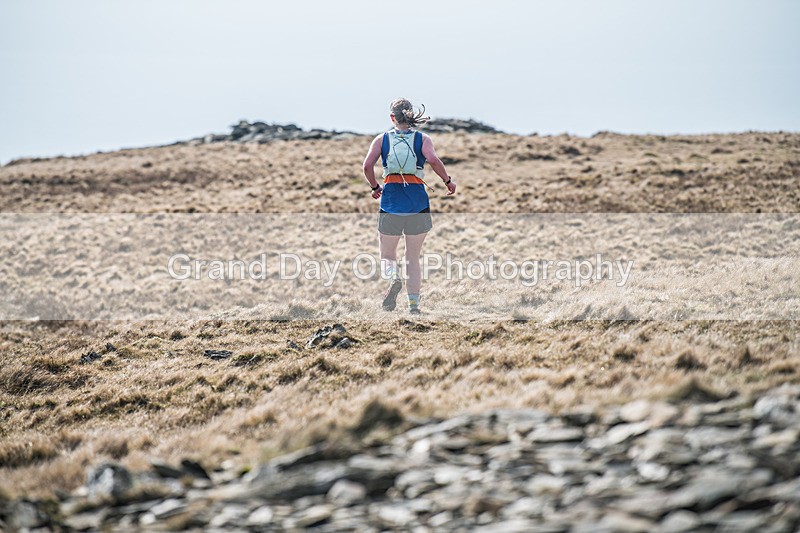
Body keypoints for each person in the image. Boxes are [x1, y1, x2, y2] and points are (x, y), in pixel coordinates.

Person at [362, 98, 457, 314]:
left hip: (390, 203)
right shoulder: (423, 139)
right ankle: (414, 306)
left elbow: (367, 165)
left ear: (392, 118)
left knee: (387, 256)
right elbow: (433, 160)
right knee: (412, 258)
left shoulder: (381, 139)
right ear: (411, 116)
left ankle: (394, 278)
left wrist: (375, 186)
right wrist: (447, 181)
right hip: (418, 203)